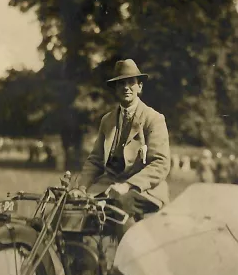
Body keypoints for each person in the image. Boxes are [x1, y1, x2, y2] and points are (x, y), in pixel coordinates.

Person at [72, 59, 171, 242]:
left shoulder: (153, 119)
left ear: (139, 87)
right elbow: (95, 160)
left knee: (120, 206)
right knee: (74, 210)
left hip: (145, 191)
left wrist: (128, 185)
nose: (126, 87)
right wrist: (82, 188)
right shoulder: (108, 121)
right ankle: (85, 266)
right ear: (115, 89)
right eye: (121, 83)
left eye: (131, 82)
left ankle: (128, 264)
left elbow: (160, 164)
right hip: (111, 186)